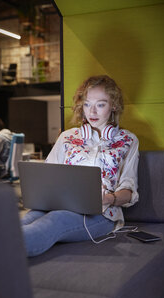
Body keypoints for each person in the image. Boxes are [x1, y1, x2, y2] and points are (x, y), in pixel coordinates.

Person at [21, 75, 139, 257]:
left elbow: (129, 190)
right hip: (57, 204)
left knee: (54, 220)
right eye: (86, 104)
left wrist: (109, 198)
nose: (92, 111)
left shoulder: (128, 140)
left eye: (100, 104)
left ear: (113, 105)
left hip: (101, 214)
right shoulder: (67, 137)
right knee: (25, 219)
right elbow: (47, 174)